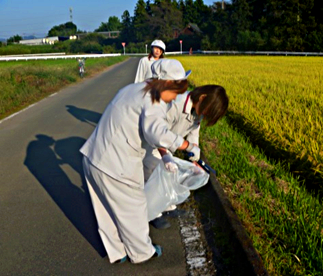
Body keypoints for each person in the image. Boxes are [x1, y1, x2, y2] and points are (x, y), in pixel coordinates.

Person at [80, 59, 199, 264]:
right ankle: (143, 253)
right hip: (116, 165)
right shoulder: (154, 101)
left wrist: (168, 154)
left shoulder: (133, 89)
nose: (176, 98)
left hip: (93, 156)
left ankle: (117, 252)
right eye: (176, 92)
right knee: (134, 208)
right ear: (167, 84)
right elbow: (157, 133)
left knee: (106, 210)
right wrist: (187, 146)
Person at [144, 84, 229, 229]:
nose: (204, 116)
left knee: (170, 174)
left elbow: (193, 133)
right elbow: (157, 133)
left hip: (170, 145)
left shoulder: (198, 110)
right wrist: (165, 155)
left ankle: (167, 207)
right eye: (208, 112)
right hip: (151, 145)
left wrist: (194, 157)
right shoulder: (175, 104)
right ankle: (152, 213)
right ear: (202, 98)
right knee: (154, 175)